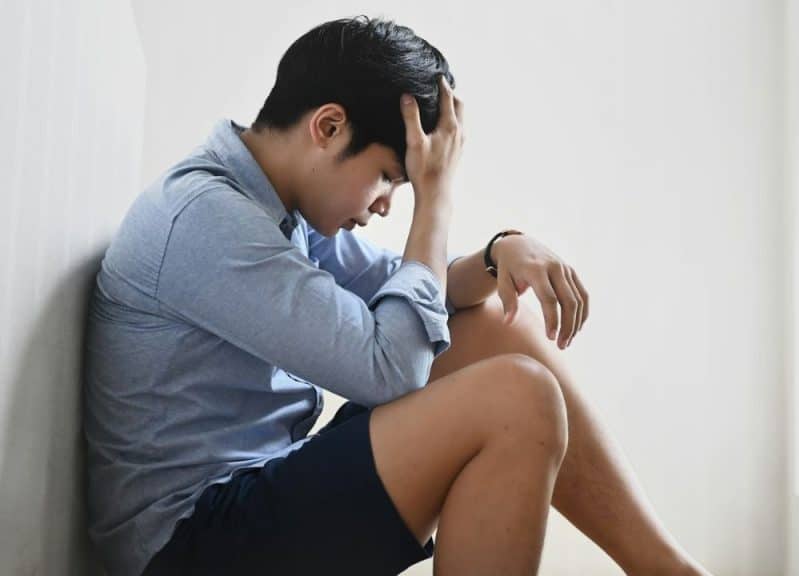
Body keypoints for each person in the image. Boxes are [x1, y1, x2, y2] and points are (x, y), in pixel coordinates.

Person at [83, 15, 711, 576]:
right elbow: (391, 370)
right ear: (328, 127)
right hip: (189, 546)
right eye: (388, 177)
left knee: (490, 328)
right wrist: (436, 197)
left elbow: (414, 295)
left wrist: (498, 255)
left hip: (253, 496)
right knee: (518, 398)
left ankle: (664, 569)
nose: (386, 204)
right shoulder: (208, 220)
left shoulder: (278, 204)